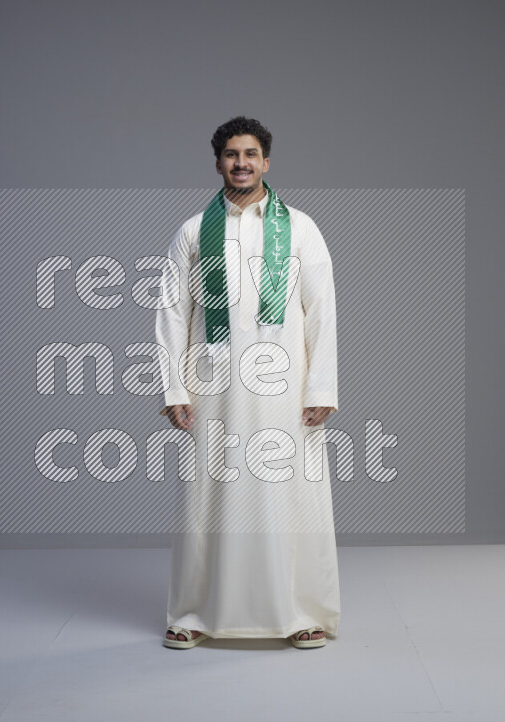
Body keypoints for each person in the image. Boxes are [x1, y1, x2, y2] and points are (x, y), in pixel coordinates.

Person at [155, 116, 341, 649]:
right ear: (217, 163)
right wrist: (173, 388)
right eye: (231, 154)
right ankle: (192, 613)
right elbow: (171, 311)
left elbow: (321, 309)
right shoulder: (193, 231)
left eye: (251, 153)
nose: (241, 162)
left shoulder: (301, 227)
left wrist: (321, 388)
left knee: (292, 495)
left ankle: (301, 612)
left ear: (266, 162)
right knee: (207, 496)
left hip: (286, 385)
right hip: (212, 383)